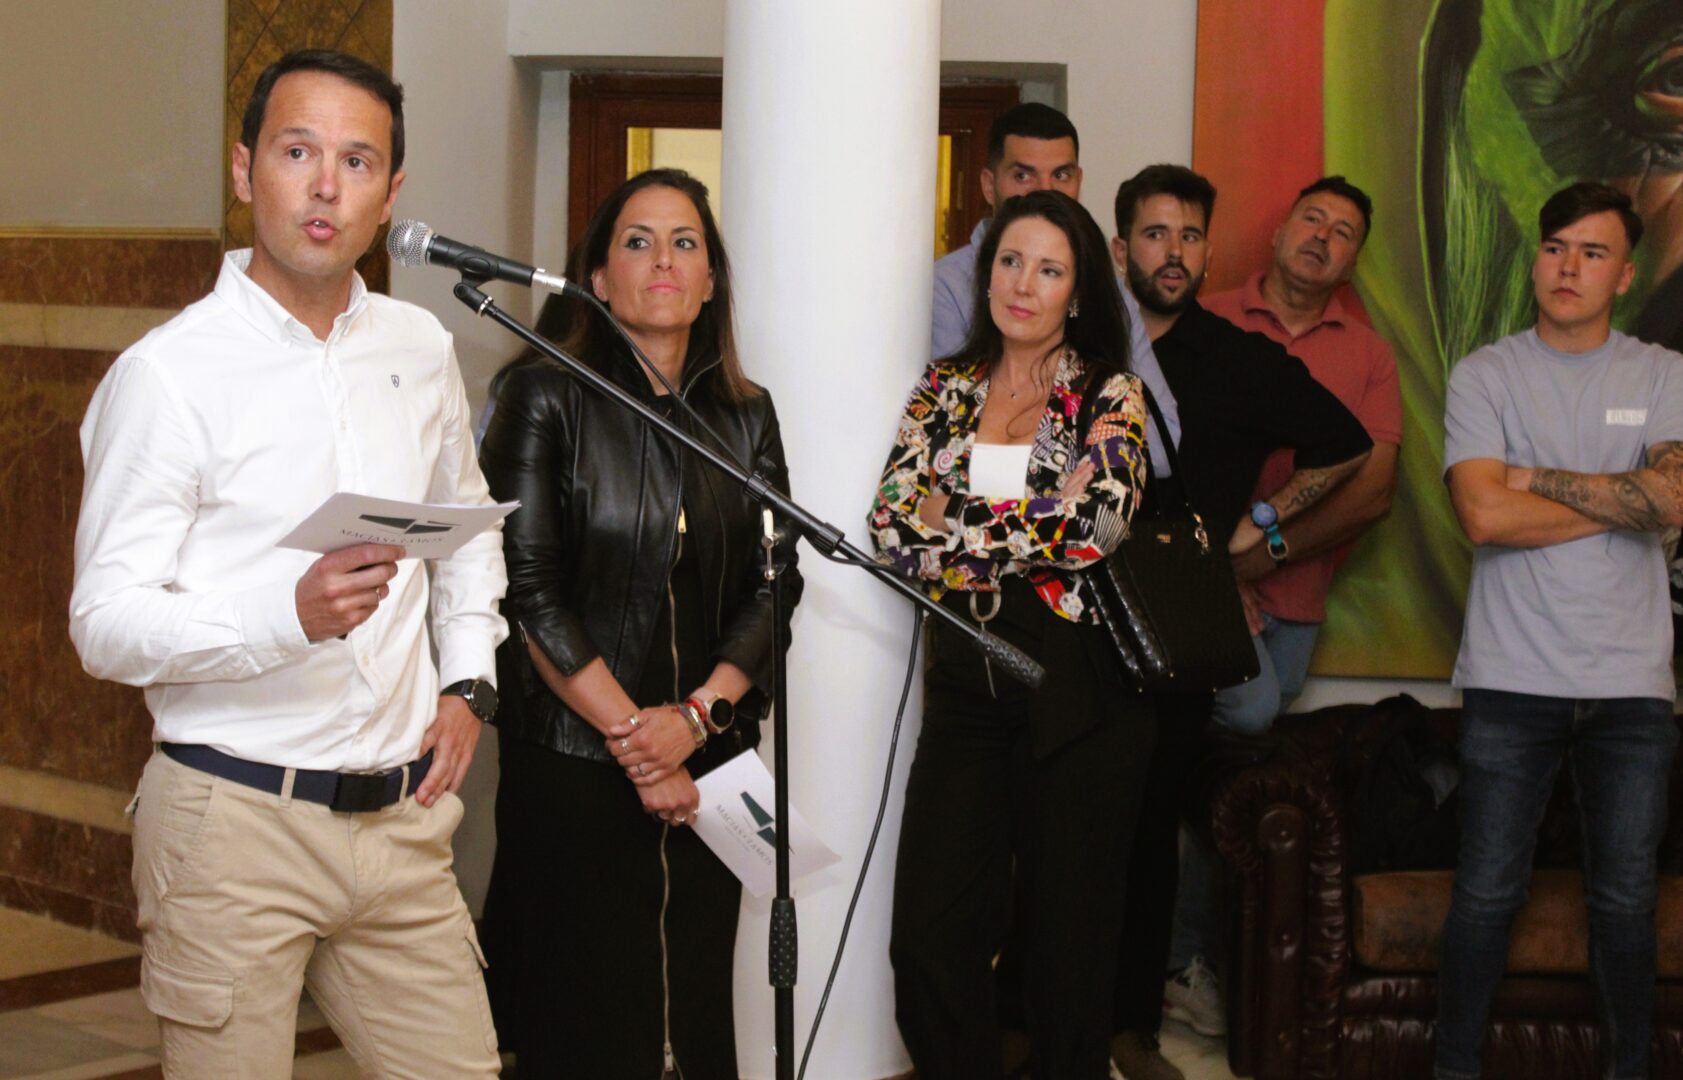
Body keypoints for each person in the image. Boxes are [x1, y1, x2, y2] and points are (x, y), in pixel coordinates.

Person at [69, 49, 506, 1076]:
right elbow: (104, 623)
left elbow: (468, 528)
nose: (325, 187)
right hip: (233, 824)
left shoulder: (418, 346)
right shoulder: (169, 376)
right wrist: (287, 614)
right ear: (243, 169)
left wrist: (468, 681)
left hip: (402, 826)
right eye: (297, 152)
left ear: (391, 195)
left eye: (358, 162)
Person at [477, 168, 801, 1079]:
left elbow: (778, 585)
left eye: (684, 243)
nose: (663, 260)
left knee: (691, 1011)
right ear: (598, 276)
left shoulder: (746, 414)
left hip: (709, 754)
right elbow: (530, 595)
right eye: (637, 241)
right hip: (577, 760)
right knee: (590, 1022)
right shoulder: (543, 396)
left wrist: (694, 721)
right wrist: (638, 743)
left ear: (710, 281)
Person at [873, 189, 1154, 1079]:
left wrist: (952, 518)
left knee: (1067, 955)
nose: (1022, 284)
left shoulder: (1111, 393)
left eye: (1048, 269)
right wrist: (1029, 522)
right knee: (927, 938)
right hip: (965, 677)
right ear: (984, 273)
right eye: (1008, 261)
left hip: (1077, 685)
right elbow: (889, 530)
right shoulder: (943, 388)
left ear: (1078, 290)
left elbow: (1093, 527)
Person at [1104, 164, 1374, 1080]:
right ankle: (1040, 1016)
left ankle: (1131, 1028)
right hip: (1074, 621)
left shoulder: (1235, 355)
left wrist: (1261, 524)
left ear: (1208, 251)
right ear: (1121, 248)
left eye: (1188, 236)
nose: (1172, 252)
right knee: (1062, 823)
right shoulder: (1084, 345)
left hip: (1177, 629)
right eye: (1155, 234)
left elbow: (1345, 445)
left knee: (1150, 833)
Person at [1437, 181, 1683, 1080]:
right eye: (1554, 248)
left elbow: (1674, 500)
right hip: (1510, 677)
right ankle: (1452, 1070)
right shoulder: (1484, 374)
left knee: (1622, 901)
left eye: (1591, 252)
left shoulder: (1662, 374)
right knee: (1485, 895)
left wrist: (1527, 476)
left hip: (1630, 688)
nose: (1566, 266)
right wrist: (1621, 498)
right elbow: (1481, 517)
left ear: (1624, 275)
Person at [1202, 176, 1403, 726]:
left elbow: (1374, 492)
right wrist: (1223, 573)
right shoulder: (1205, 319)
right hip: (1204, 584)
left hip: (1299, 600)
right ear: (1278, 233)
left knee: (1253, 735)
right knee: (1247, 713)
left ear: (1352, 265)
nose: (1322, 236)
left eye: (1343, 233)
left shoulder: (1371, 355)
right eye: (1312, 219)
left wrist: (1266, 552)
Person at [930, 102, 1183, 483]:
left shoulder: (1105, 284)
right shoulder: (946, 285)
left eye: (1061, 175)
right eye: (1023, 175)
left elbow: (1162, 448)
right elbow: (944, 461)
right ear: (989, 184)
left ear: (1079, 180)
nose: (1046, 191)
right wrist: (1066, 486)